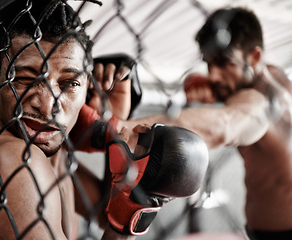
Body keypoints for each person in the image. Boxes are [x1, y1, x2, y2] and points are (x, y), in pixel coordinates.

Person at [0, 2, 209, 240]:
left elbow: (103, 213)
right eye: (25, 78)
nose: (46, 105)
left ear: (87, 85)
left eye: (69, 83)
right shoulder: (14, 162)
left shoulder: (47, 152)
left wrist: (118, 127)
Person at [121, 7, 292, 240]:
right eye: (209, 64)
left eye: (224, 63)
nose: (213, 75)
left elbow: (224, 125)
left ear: (255, 56)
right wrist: (203, 86)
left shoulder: (260, 101)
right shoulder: (274, 79)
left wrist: (119, 127)